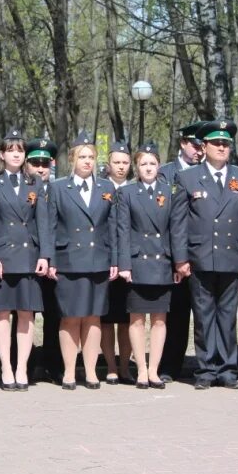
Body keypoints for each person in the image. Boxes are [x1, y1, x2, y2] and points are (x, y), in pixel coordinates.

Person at [171, 119, 238, 390]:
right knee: (204, 316)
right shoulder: (188, 177)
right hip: (200, 258)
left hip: (232, 258)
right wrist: (181, 259)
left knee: (228, 317)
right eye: (216, 143)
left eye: (225, 144)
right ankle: (206, 369)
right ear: (203, 146)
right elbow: (179, 222)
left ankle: (228, 370)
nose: (222, 147)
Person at [46, 131, 118, 390]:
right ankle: (68, 371)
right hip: (69, 261)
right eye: (82, 157)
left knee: (93, 317)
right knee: (70, 317)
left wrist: (116, 259)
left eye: (91, 157)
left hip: (98, 259)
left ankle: (90, 371)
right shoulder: (57, 188)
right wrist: (50, 258)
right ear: (72, 159)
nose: (87, 161)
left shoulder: (106, 188)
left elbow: (113, 226)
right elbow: (49, 226)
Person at [0, 128, 50, 391]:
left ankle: (22, 368)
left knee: (26, 313)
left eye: (20, 150)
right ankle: (6, 368)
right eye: (11, 150)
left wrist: (45, 255)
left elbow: (42, 221)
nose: (16, 155)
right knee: (1, 313)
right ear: (2, 154)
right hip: (3, 258)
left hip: (29, 257)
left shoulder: (35, 183)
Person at [116, 143, 176, 389]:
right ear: (136, 168)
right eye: (143, 164)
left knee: (160, 320)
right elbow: (122, 231)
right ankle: (140, 368)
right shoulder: (127, 193)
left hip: (163, 262)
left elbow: (176, 230)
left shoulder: (170, 191)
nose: (148, 168)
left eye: (152, 163)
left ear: (158, 166)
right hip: (138, 262)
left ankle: (154, 370)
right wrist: (124, 264)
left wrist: (178, 262)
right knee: (137, 320)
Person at [157, 121, 205, 382]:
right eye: (195, 146)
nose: (199, 151)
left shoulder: (206, 172)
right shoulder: (165, 173)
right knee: (174, 314)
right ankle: (168, 366)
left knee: (203, 315)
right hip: (172, 256)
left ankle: (204, 365)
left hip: (200, 255)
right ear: (183, 144)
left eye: (202, 146)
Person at [24, 137, 62, 383]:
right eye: (35, 163)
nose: (40, 169)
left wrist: (53, 259)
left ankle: (54, 365)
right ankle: (24, 366)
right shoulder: (22, 188)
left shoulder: (59, 189)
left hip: (56, 263)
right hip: (27, 260)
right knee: (24, 316)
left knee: (55, 315)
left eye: (45, 164)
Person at [100, 141, 133, 384]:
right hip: (104, 261)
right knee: (106, 319)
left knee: (126, 319)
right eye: (116, 162)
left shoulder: (135, 189)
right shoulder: (101, 188)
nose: (121, 167)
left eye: (125, 163)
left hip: (130, 262)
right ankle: (110, 365)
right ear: (108, 164)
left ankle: (125, 366)